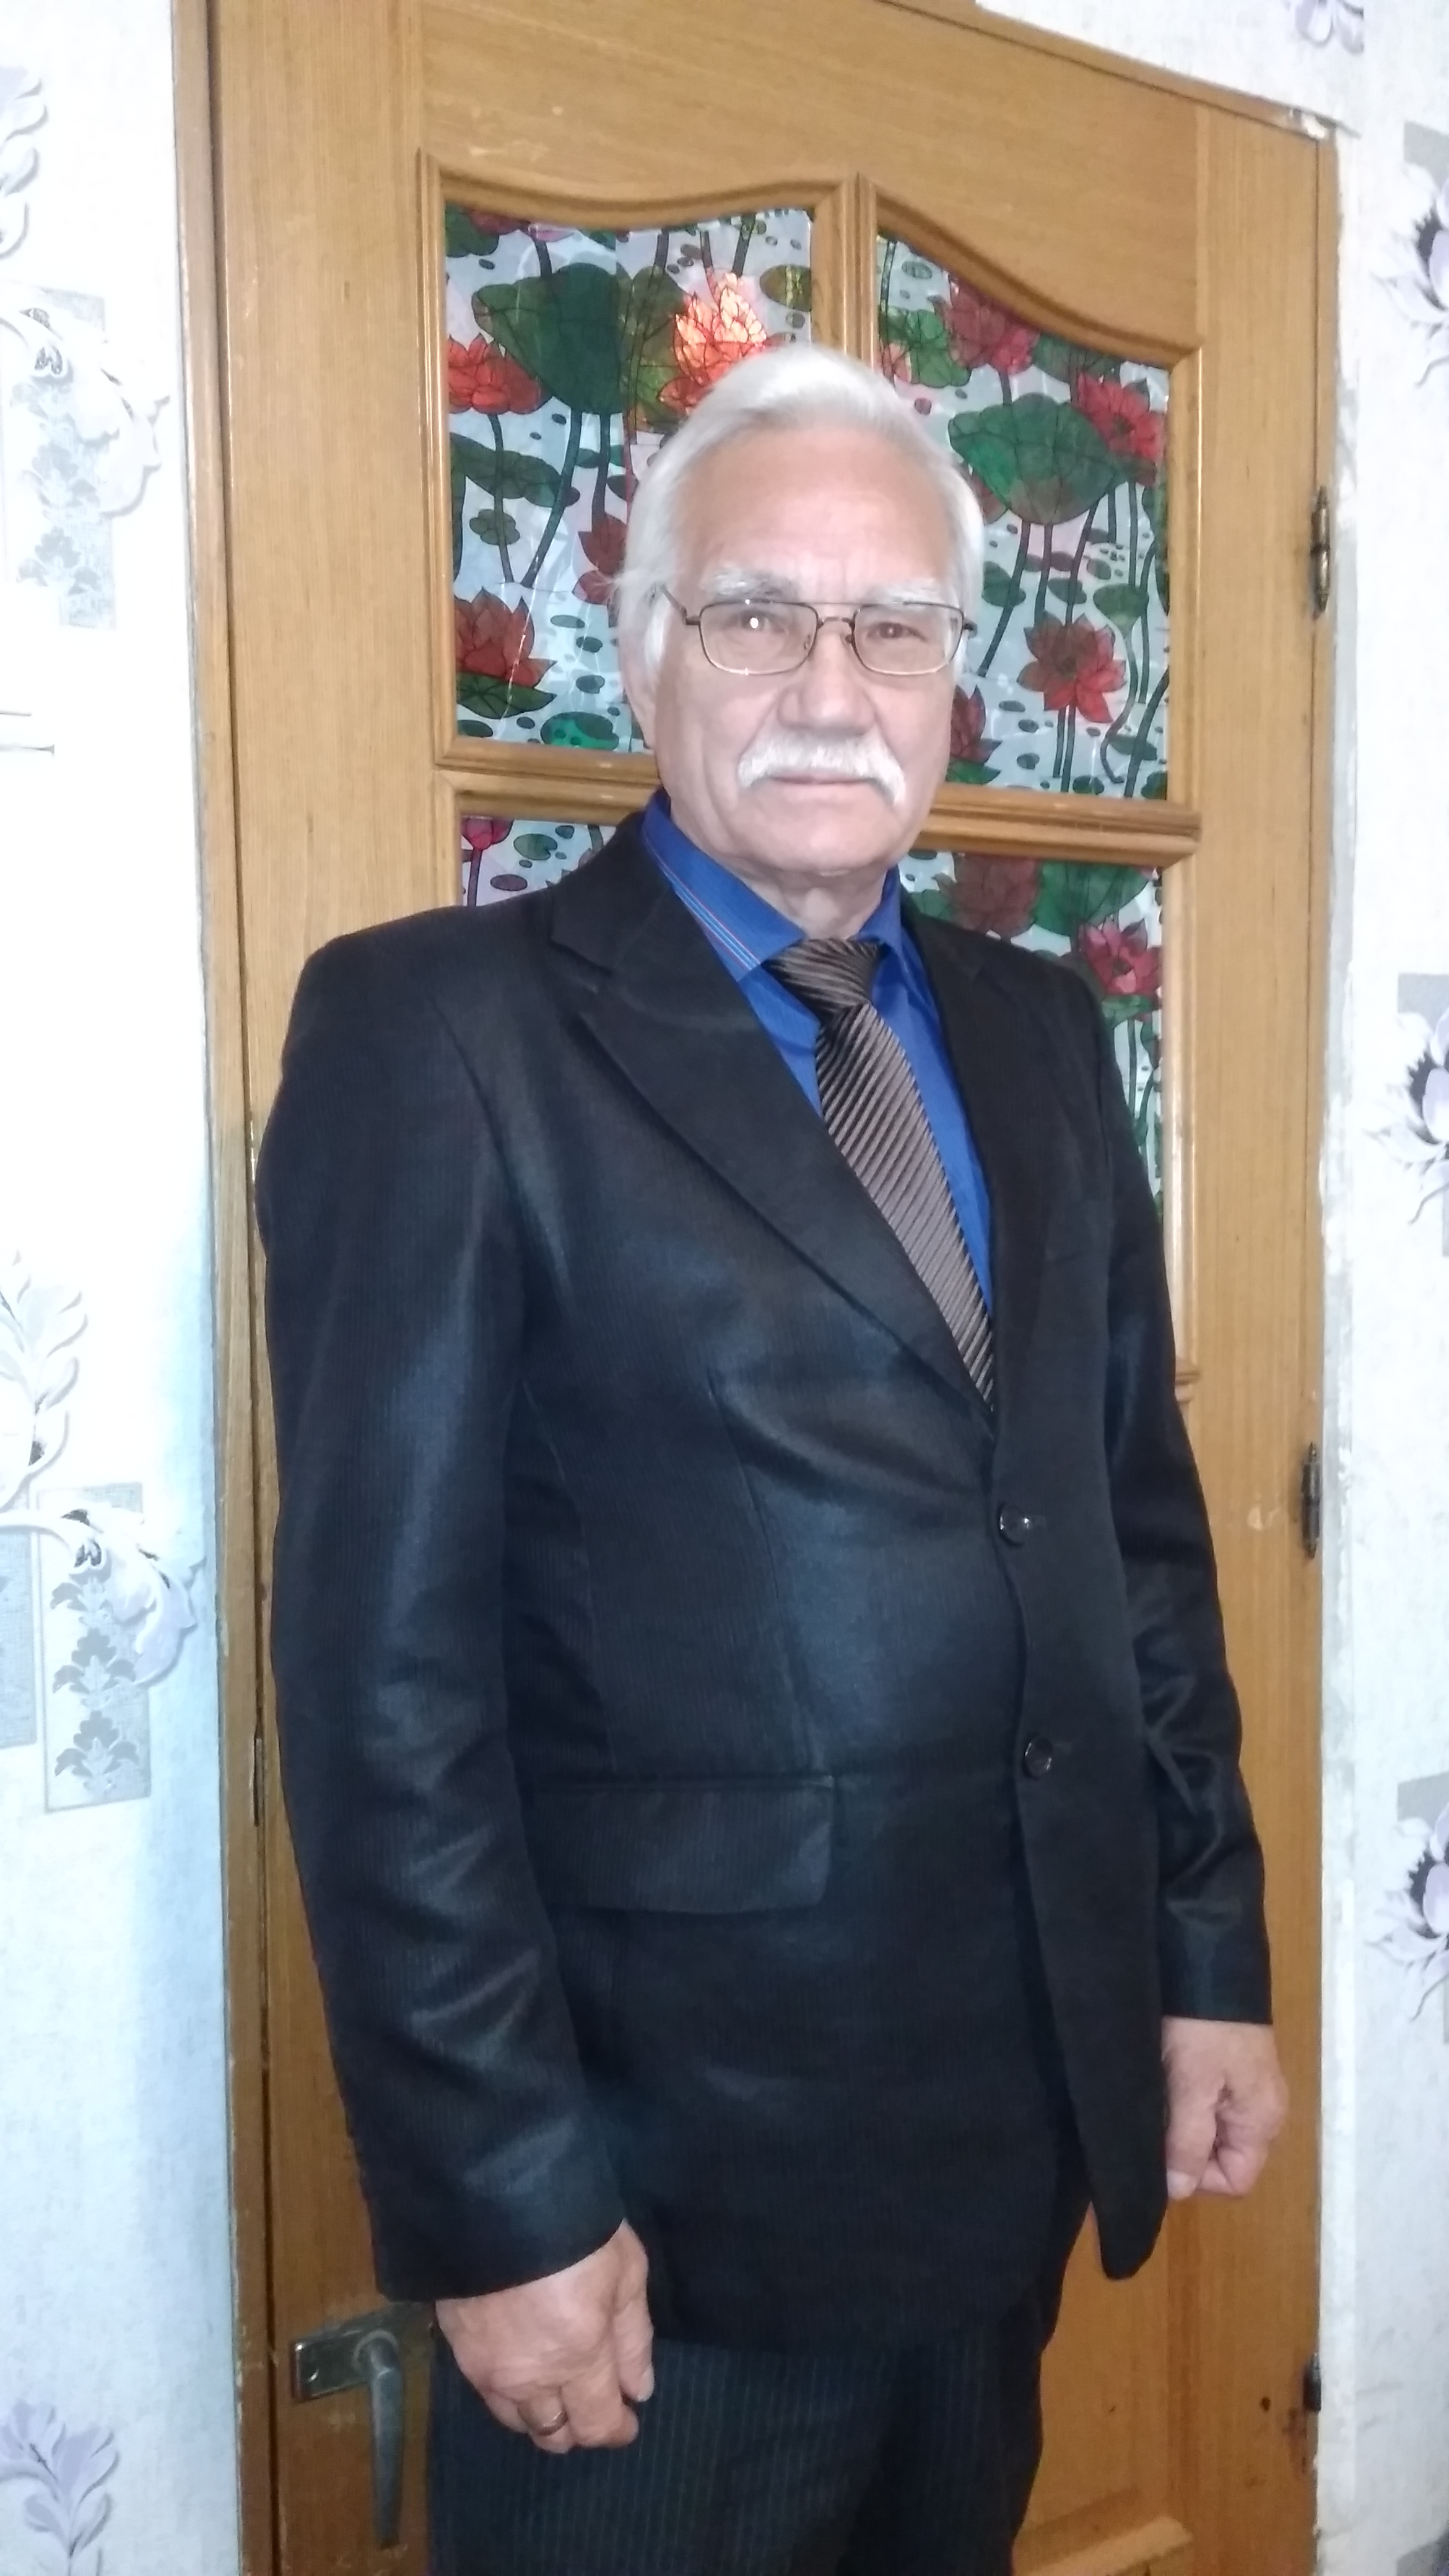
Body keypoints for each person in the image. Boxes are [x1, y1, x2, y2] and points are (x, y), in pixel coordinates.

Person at [257, 344, 1287, 2576]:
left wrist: (1201, 1950)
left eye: (892, 625)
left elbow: (1125, 1535)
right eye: (754, 614)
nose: (831, 686)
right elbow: (378, 1688)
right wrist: (500, 2199)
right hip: (658, 2208)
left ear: (954, 676)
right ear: (642, 653)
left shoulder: (1038, 1031)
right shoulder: (440, 1035)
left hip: (1006, 2130)